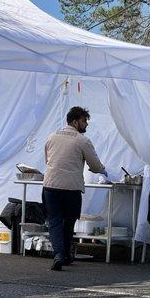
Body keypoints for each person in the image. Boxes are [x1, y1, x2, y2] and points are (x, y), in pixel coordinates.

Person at [43, 106, 106, 271]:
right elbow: (95, 165)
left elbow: (47, 160)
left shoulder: (51, 137)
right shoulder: (82, 141)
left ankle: (59, 254)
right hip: (71, 188)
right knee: (69, 222)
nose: (86, 125)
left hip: (50, 185)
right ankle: (63, 255)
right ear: (75, 121)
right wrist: (102, 169)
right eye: (84, 121)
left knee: (54, 221)